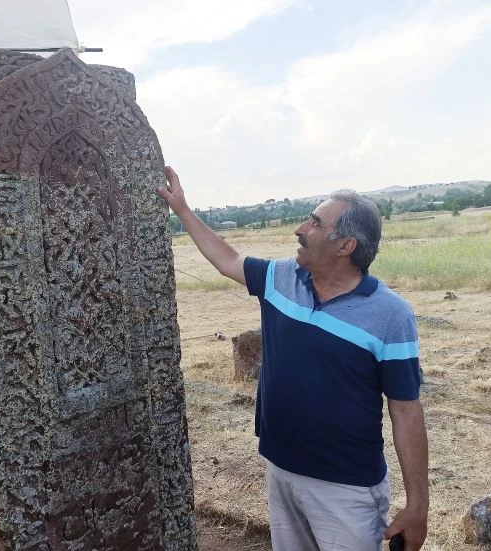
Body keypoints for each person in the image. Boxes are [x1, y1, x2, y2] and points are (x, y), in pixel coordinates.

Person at [159, 166, 429, 551]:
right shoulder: (281, 277)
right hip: (280, 470)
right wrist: (183, 211)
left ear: (345, 245)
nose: (301, 229)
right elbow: (228, 260)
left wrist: (418, 506)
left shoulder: (390, 314)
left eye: (315, 223)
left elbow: (406, 411)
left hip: (346, 488)